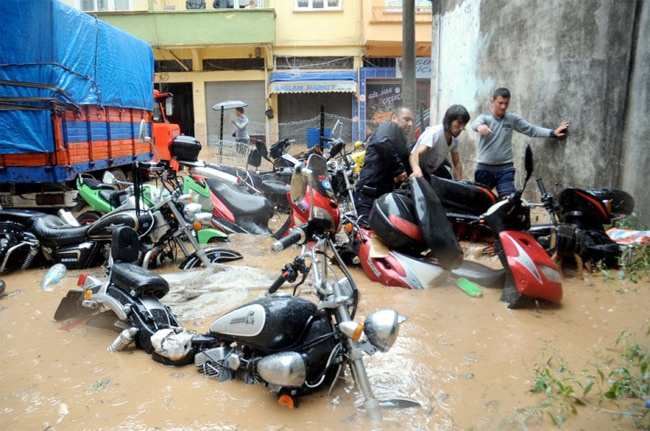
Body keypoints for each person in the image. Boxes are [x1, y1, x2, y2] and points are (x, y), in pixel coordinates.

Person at [471, 87, 569, 198]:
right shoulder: (485, 118)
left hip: (505, 169)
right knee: (481, 201)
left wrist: (552, 132)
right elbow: (474, 124)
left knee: (509, 201)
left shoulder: (512, 119)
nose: (503, 107)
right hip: (484, 169)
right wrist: (480, 127)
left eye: (506, 103)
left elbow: (531, 130)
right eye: (500, 103)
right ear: (492, 101)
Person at [353, 106, 414, 220]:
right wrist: (399, 170)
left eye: (411, 121)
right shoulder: (389, 126)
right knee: (364, 232)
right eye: (406, 119)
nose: (410, 124)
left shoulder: (401, 139)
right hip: (369, 193)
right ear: (394, 117)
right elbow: (381, 142)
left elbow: (407, 161)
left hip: (382, 194)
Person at [409, 104, 470, 182]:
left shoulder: (454, 140)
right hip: (416, 171)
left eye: (464, 124)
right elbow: (414, 154)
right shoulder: (434, 134)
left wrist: (460, 184)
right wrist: (416, 171)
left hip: (430, 172)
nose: (461, 128)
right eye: (459, 123)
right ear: (449, 121)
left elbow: (457, 163)